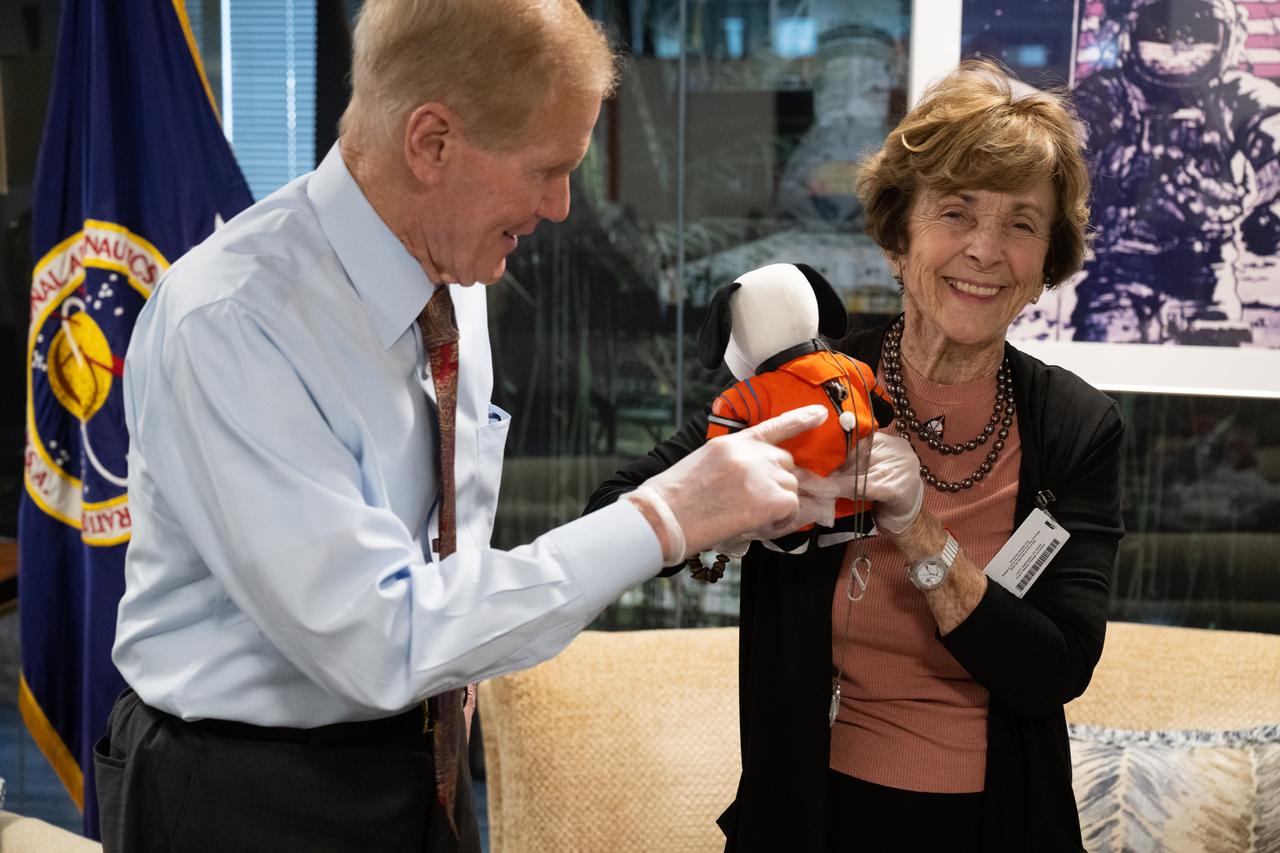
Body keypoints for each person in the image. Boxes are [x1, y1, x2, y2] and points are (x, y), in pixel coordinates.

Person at [95, 2, 830, 851]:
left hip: (427, 760)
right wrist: (665, 519)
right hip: (244, 791)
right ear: (432, 142)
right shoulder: (231, 325)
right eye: (548, 170)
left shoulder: (454, 271)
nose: (560, 207)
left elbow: (448, 550)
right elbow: (378, 639)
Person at [588, 60, 1124, 853]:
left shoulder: (1075, 427)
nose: (983, 249)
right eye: (955, 212)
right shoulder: (809, 390)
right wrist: (728, 504)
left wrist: (921, 533)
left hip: (997, 825)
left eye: (1021, 223)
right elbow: (614, 511)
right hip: (808, 817)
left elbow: (1054, 671)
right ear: (897, 236)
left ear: (1045, 264)